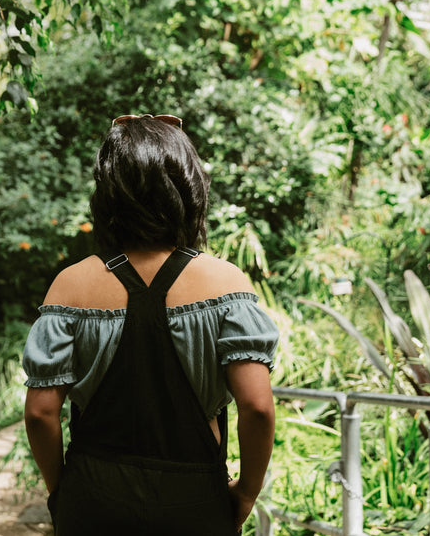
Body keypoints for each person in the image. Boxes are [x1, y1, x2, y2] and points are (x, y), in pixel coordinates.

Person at [22, 113, 279, 535]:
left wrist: (59, 492)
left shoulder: (71, 286)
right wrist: (247, 491)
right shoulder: (225, 283)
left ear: (107, 194)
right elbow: (257, 407)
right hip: (193, 501)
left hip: (92, 499)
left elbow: (40, 412)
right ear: (189, 188)